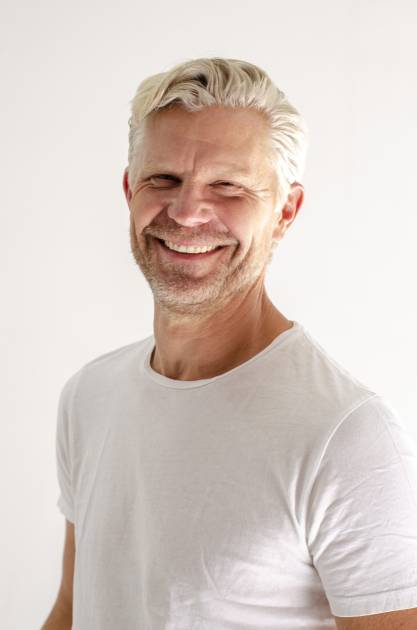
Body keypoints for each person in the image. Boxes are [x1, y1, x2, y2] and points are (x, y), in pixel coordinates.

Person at [42, 58, 417, 630]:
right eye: (163, 179)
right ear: (129, 190)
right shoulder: (89, 396)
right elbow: (72, 612)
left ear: (285, 211)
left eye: (229, 186)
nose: (187, 212)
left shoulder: (347, 436)